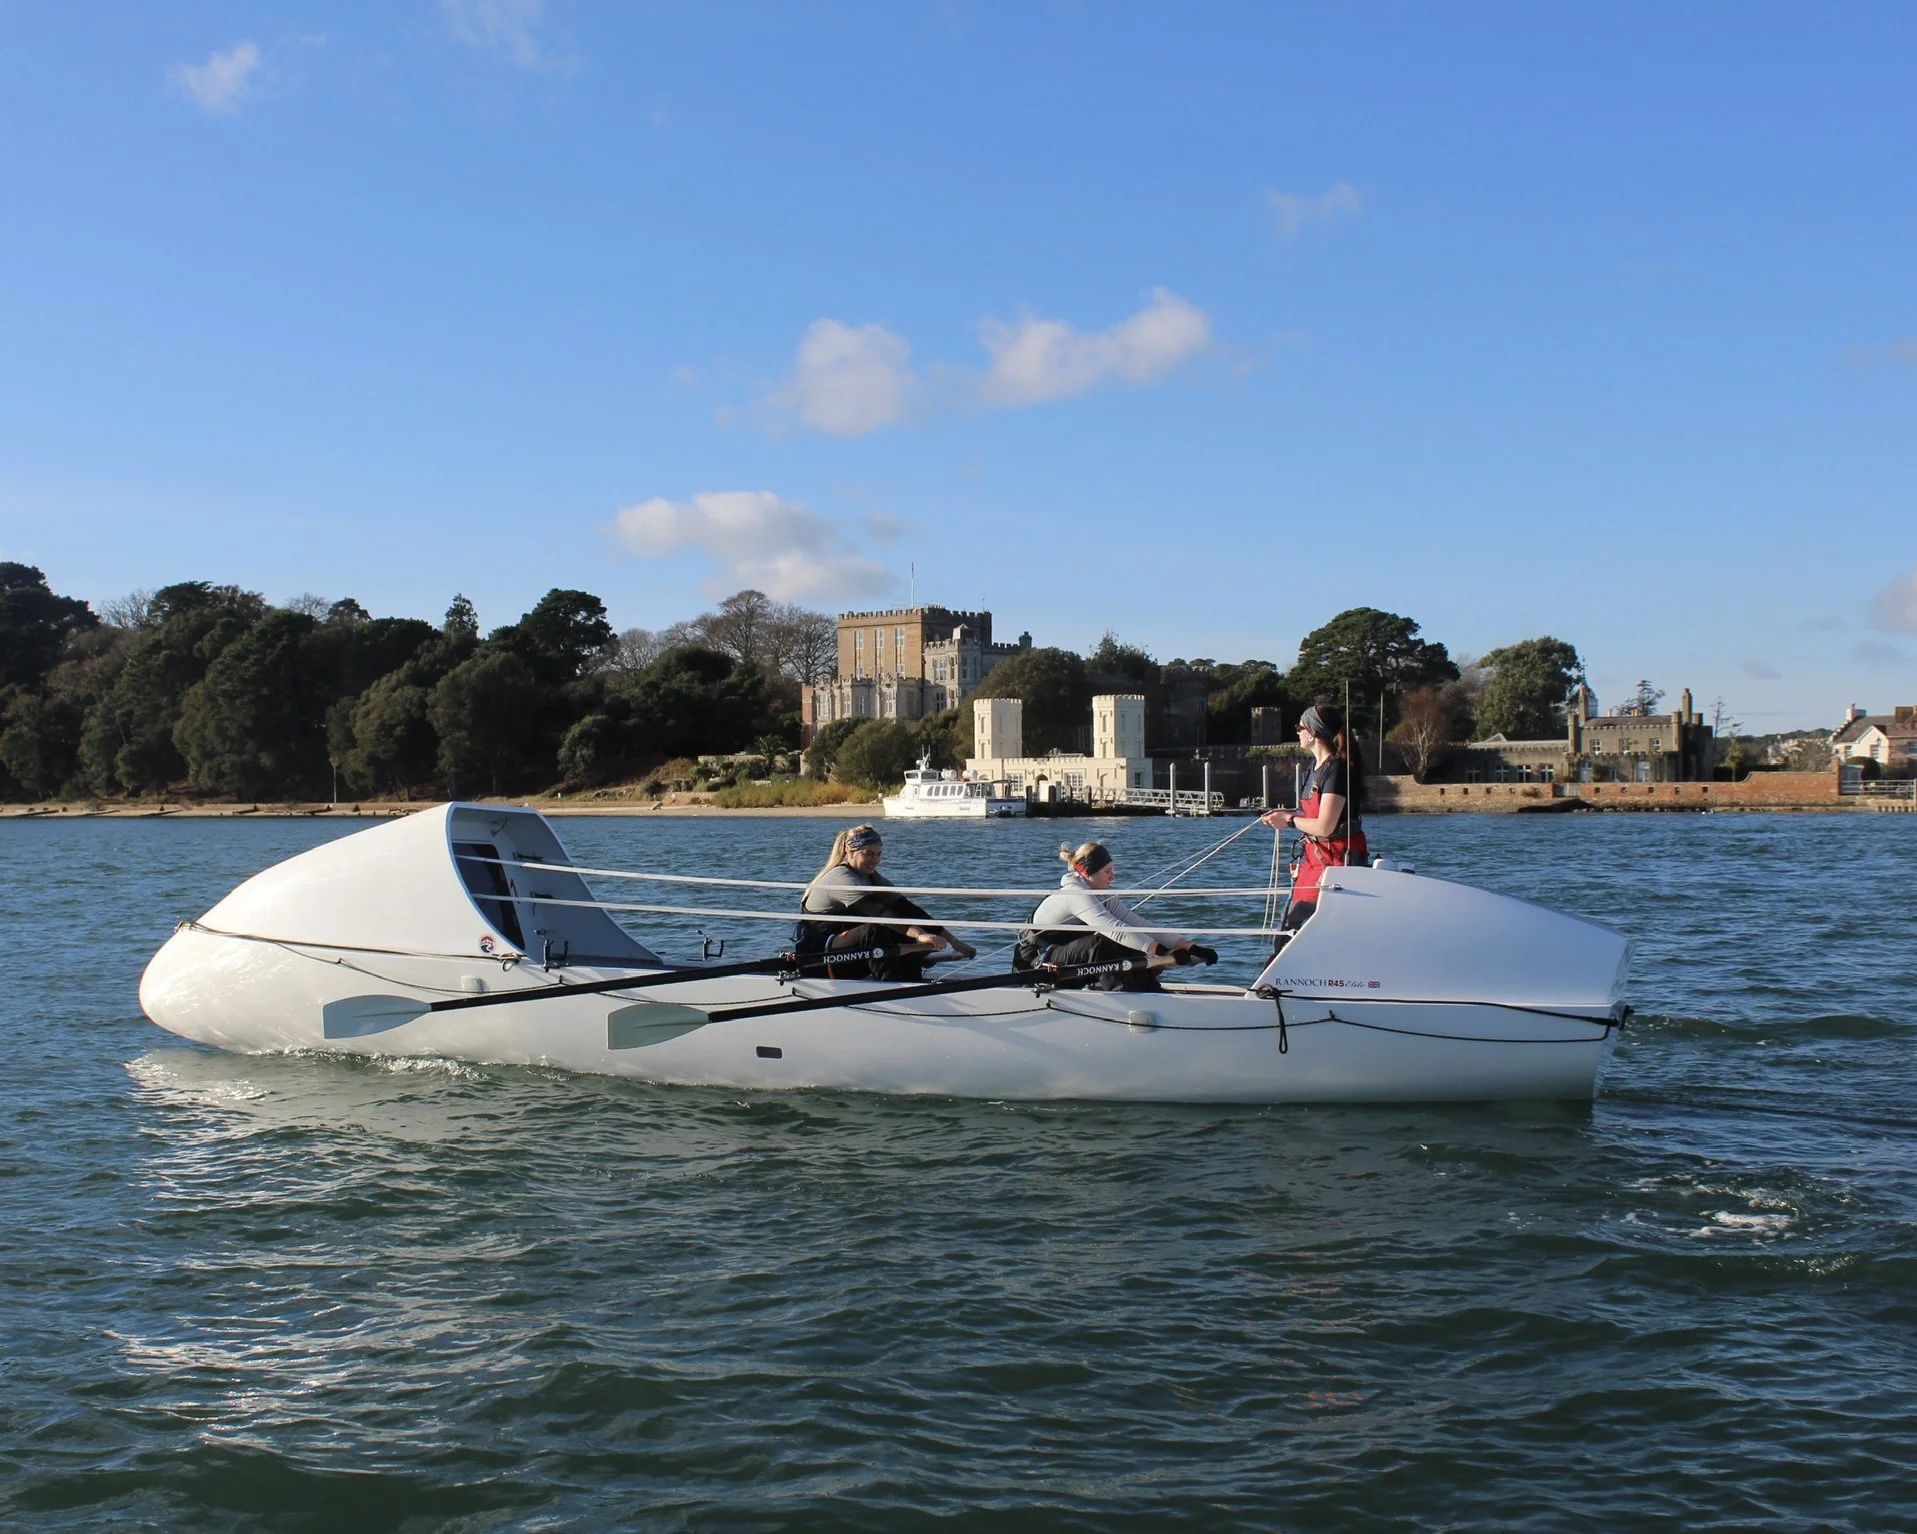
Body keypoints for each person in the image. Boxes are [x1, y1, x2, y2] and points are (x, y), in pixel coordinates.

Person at [1018, 841, 1215, 991]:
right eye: (1108, 871)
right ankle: (1125, 995)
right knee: (1104, 943)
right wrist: (1162, 952)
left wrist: (1190, 946)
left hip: (1065, 954)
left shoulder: (1101, 894)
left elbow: (1137, 924)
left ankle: (1151, 991)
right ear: (1087, 873)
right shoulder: (1075, 894)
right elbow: (1114, 930)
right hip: (1037, 962)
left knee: (1132, 941)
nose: (1113, 876)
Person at [798, 824, 976, 981]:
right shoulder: (840, 878)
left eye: (878, 854)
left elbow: (907, 908)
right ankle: (892, 986)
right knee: (875, 930)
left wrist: (954, 941)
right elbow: (879, 911)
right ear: (850, 852)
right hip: (819, 957)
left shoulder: (872, 878)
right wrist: (919, 935)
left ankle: (911, 983)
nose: (875, 860)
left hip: (847, 952)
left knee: (902, 927)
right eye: (868, 854)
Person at [1260, 703, 1369, 930]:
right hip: (1313, 859)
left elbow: (1326, 825)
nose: (1297, 732)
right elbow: (1310, 814)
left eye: (1299, 727)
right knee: (1290, 926)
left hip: (1335, 862)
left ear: (1313, 732)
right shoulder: (1314, 768)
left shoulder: (1337, 770)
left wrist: (1289, 821)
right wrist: (1285, 814)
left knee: (1302, 925)